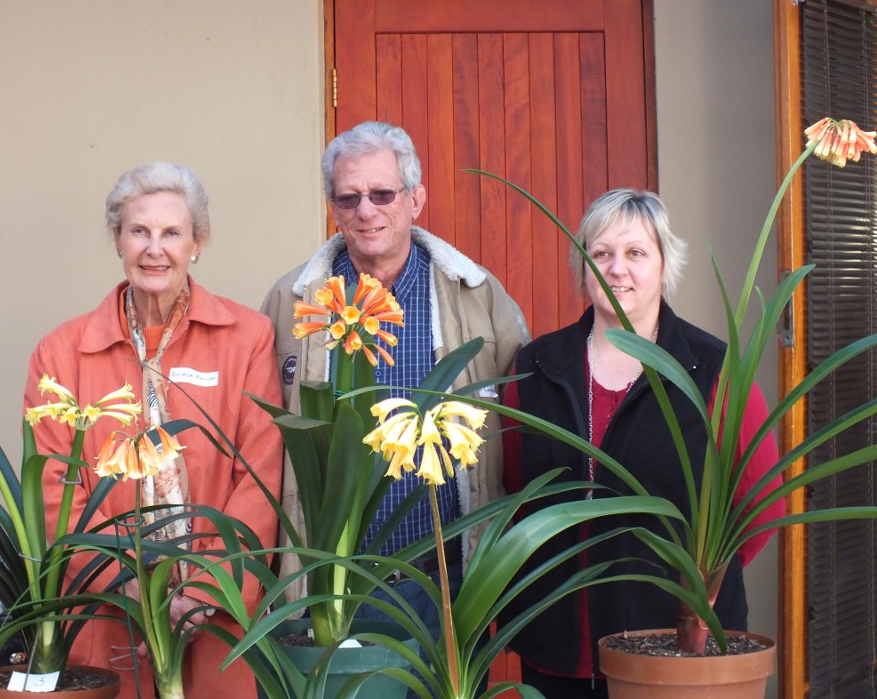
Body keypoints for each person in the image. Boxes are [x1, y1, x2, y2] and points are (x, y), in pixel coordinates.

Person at [500, 188, 786, 699]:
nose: (617, 269)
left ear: (663, 264)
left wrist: (700, 585)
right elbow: (518, 488)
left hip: (674, 648)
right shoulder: (535, 367)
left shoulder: (714, 370)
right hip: (557, 643)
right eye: (600, 253)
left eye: (635, 252)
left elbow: (762, 505)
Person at [261, 120, 529, 642]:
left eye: (383, 194)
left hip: (442, 577)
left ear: (415, 199)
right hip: (328, 582)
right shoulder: (292, 300)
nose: (366, 211)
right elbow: (263, 441)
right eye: (349, 198)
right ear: (333, 208)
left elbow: (520, 423)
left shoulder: (476, 295)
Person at [26, 162, 283, 699]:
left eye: (172, 233)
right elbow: (54, 490)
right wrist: (131, 586)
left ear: (197, 243)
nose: (154, 249)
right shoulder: (61, 352)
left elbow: (259, 477)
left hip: (215, 617)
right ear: (117, 239)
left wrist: (204, 592)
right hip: (107, 613)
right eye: (139, 231)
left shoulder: (248, 338)